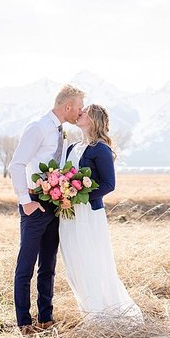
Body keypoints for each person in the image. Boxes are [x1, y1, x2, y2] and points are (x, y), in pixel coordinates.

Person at [8, 84, 85, 335]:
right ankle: (23, 322)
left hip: (54, 204)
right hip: (34, 203)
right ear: (68, 106)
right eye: (80, 107)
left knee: (48, 266)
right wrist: (25, 201)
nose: (81, 112)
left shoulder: (61, 132)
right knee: (26, 266)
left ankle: (45, 319)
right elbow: (16, 165)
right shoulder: (38, 127)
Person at [60, 104, 143, 323]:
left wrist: (80, 196)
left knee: (93, 260)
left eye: (84, 112)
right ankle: (88, 309)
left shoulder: (101, 149)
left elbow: (108, 184)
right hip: (68, 214)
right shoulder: (72, 148)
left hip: (89, 213)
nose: (80, 113)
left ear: (94, 119)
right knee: (74, 262)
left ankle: (101, 312)